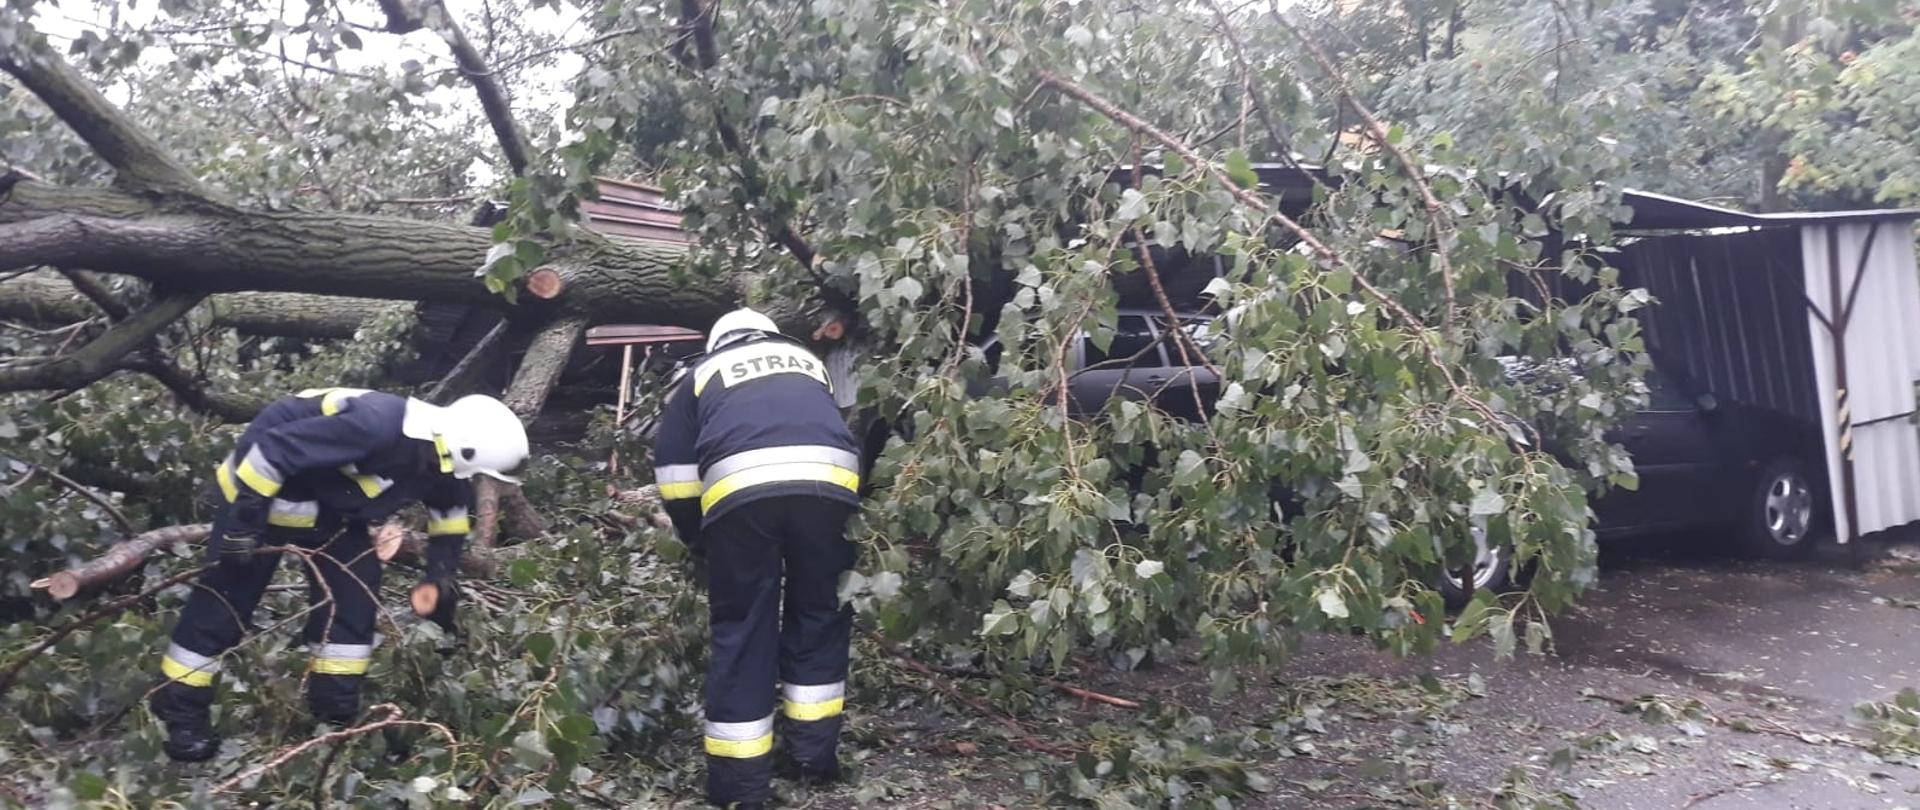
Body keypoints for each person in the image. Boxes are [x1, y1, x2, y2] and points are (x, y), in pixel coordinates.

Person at [149, 387, 528, 762]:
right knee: (225, 604)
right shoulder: (375, 426)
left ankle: (334, 716)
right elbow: (270, 451)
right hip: (259, 492)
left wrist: (440, 575)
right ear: (464, 449)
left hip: (333, 512)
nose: (470, 481)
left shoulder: (441, 460)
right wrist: (243, 526)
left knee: (354, 602)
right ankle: (179, 710)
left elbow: (450, 517)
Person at [653, 308, 862, 809]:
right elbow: (833, 426)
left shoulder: (702, 373)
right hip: (831, 488)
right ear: (770, 335)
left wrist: (698, 539)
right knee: (821, 613)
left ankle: (740, 786)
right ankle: (812, 756)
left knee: (745, 627)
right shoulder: (808, 361)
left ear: (718, 342)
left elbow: (675, 475)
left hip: (741, 498)